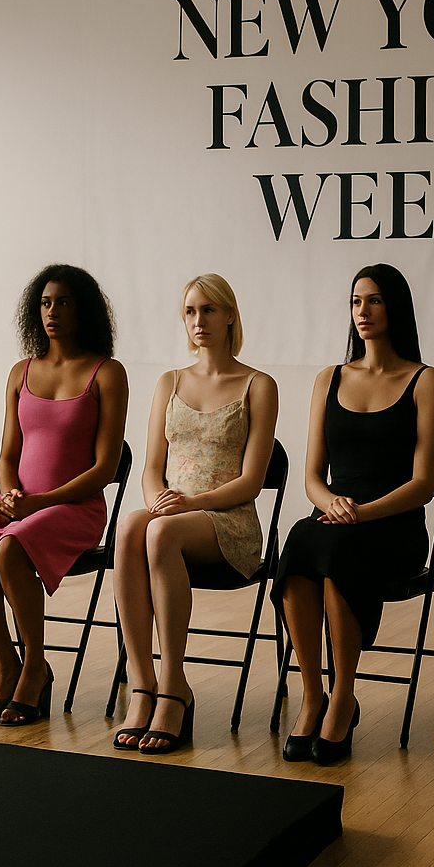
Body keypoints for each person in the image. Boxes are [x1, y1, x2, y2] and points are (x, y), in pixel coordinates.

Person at [272, 263, 434, 765]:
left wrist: (362, 513)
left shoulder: (425, 381)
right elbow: (312, 476)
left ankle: (343, 697)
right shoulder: (328, 378)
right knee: (302, 542)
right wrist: (331, 503)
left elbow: (424, 485)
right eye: (355, 301)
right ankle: (313, 694)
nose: (362, 311)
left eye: (374, 300)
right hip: (337, 515)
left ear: (396, 307)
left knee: (336, 551)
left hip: (395, 522)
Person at [110, 274, 278, 754]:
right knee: (131, 524)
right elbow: (151, 468)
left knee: (160, 533)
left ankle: (173, 685)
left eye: (208, 310)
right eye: (189, 311)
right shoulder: (170, 382)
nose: (198, 320)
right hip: (174, 514)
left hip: (227, 519)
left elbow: (251, 481)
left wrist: (190, 504)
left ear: (230, 315)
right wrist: (159, 500)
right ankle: (142, 684)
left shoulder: (258, 385)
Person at [0, 264, 127, 727]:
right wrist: (9, 494)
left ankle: (35, 666)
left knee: (12, 546)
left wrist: (37, 504)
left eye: (63, 302)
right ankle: (6, 663)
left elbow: (105, 469)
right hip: (21, 502)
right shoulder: (21, 372)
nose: (52, 312)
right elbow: (7, 455)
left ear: (84, 309)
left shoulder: (107, 373)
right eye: (46, 303)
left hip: (76, 508)